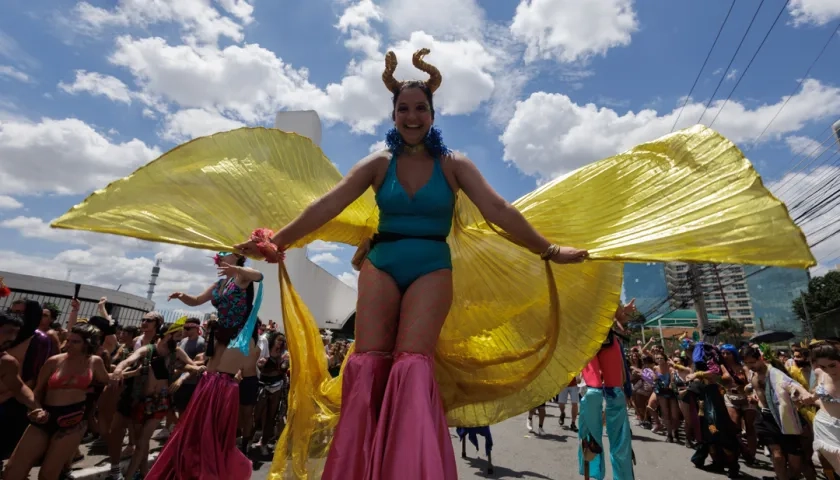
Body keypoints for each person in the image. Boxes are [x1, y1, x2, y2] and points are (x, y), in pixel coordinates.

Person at [236, 48, 588, 479]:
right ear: (394, 115)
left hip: (431, 268)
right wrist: (277, 241)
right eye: (403, 108)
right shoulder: (378, 164)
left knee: (411, 365)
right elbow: (327, 204)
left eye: (420, 108)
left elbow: (498, 210)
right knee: (367, 362)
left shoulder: (454, 165)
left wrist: (549, 250)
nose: (412, 116)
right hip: (382, 263)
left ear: (433, 114)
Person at [4, 323, 113, 480]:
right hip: (45, 416)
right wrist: (35, 409)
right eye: (68, 340)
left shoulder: (95, 362)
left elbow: (106, 378)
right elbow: (38, 390)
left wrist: (124, 372)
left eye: (75, 342)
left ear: (88, 343)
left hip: (73, 420)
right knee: (13, 470)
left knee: (49, 474)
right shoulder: (54, 361)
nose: (68, 345)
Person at [168, 251, 263, 367]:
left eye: (224, 254)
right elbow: (197, 300)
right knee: (212, 369)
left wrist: (237, 269)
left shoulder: (242, 276)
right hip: (223, 331)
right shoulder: (219, 284)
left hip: (240, 332)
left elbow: (259, 276)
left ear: (236, 256)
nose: (220, 256)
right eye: (219, 256)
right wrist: (182, 296)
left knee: (230, 371)